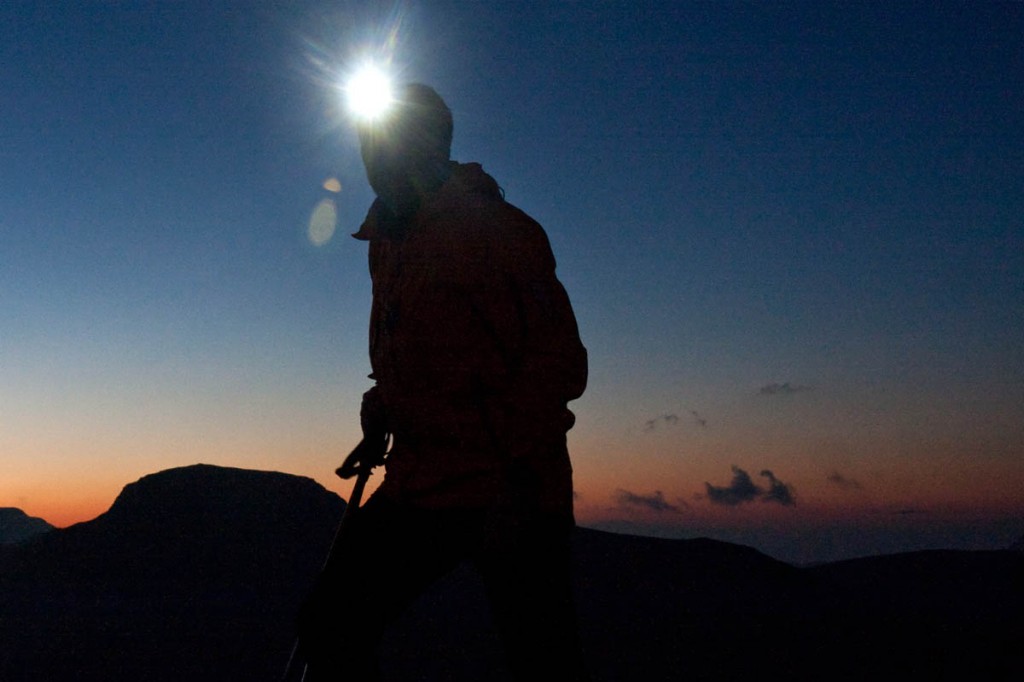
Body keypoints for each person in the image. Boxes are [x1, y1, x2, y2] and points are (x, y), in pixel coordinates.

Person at [297, 83, 588, 681]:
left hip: (513, 483)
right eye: (368, 148)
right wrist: (384, 405)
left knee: (542, 658)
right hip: (425, 477)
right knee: (331, 623)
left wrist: (515, 486)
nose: (374, 162)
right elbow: (435, 346)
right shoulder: (389, 240)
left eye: (388, 146)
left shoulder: (497, 232)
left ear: (431, 147)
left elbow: (556, 365)